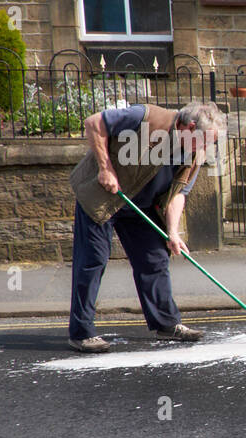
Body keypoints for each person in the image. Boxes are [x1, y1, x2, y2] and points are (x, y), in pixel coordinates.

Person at [67, 101, 225, 352]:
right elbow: (94, 123)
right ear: (189, 127)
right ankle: (81, 332)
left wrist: (173, 232)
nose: (206, 148)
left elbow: (179, 193)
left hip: (141, 207)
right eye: (204, 140)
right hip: (103, 197)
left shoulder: (194, 153)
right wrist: (105, 169)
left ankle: (166, 324)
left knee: (155, 259)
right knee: (93, 260)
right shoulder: (145, 117)